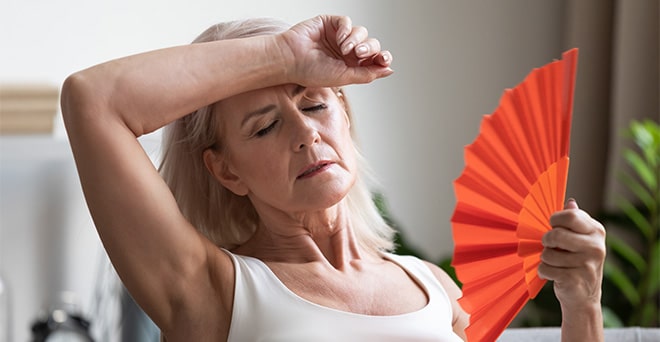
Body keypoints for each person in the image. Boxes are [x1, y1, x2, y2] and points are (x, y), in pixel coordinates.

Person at [61, 15, 606, 341]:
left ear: (344, 113)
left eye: (316, 104)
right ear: (226, 170)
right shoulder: (213, 293)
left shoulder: (431, 286)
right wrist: (284, 56)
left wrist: (581, 304)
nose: (305, 134)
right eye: (266, 126)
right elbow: (94, 100)